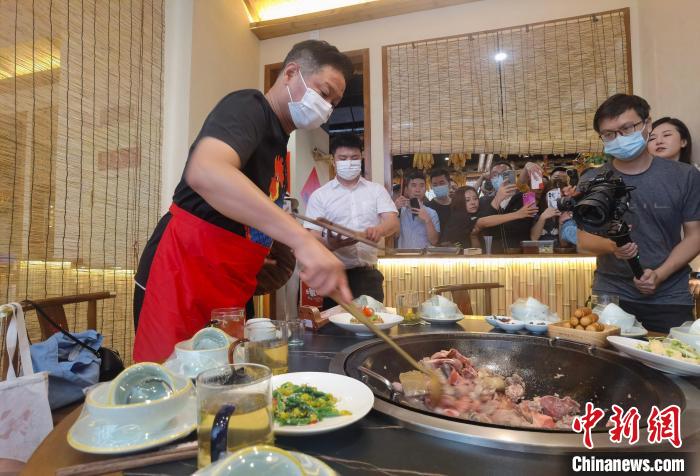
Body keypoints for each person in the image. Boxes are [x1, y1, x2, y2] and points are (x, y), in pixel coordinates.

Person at [132, 40, 354, 362]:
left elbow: (241, 213)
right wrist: (302, 240)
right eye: (324, 93)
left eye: (333, 103)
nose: (327, 108)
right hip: (181, 272)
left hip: (225, 281)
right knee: (172, 379)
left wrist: (260, 249)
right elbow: (206, 170)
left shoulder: (279, 143)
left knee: (220, 377)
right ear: (291, 73)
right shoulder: (249, 106)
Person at [576, 93, 700, 332]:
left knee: (672, 355)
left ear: (647, 125)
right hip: (612, 295)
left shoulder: (684, 176)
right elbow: (583, 240)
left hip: (670, 296)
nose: (619, 138)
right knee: (605, 356)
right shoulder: (593, 179)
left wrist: (660, 274)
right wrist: (613, 247)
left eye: (627, 128)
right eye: (609, 134)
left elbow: (695, 236)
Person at [304, 133, 399, 309]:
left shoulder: (376, 190)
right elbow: (312, 236)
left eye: (354, 157)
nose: (349, 162)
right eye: (343, 158)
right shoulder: (320, 196)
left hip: (368, 275)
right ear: (333, 160)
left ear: (361, 158)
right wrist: (330, 244)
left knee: (372, 322)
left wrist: (379, 230)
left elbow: (392, 222)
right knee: (334, 323)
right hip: (334, 274)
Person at [648, 117, 699, 297]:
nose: (659, 141)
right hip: (640, 271)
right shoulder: (640, 179)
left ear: (684, 141)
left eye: (667, 135)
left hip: (681, 272)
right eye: (652, 138)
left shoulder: (692, 176)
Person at [475, 161, 538, 253]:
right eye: (495, 175)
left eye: (505, 174)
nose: (500, 178)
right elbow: (482, 224)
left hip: (520, 254)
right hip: (492, 255)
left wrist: (527, 171)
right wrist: (498, 198)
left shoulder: (526, 197)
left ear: (513, 176)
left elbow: (531, 223)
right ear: (491, 180)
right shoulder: (483, 201)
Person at [396, 169, 440, 249]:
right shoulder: (400, 210)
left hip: (425, 256)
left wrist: (427, 220)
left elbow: (434, 241)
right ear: (406, 189)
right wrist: (395, 211)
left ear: (425, 189)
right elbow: (395, 235)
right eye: (413, 185)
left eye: (422, 186)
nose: (418, 190)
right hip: (403, 256)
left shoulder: (432, 213)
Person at [426, 168, 453, 241]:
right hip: (434, 246)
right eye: (435, 184)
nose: (438, 186)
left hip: (456, 246)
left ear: (449, 184)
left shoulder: (457, 205)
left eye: (442, 183)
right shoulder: (427, 207)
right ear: (431, 187)